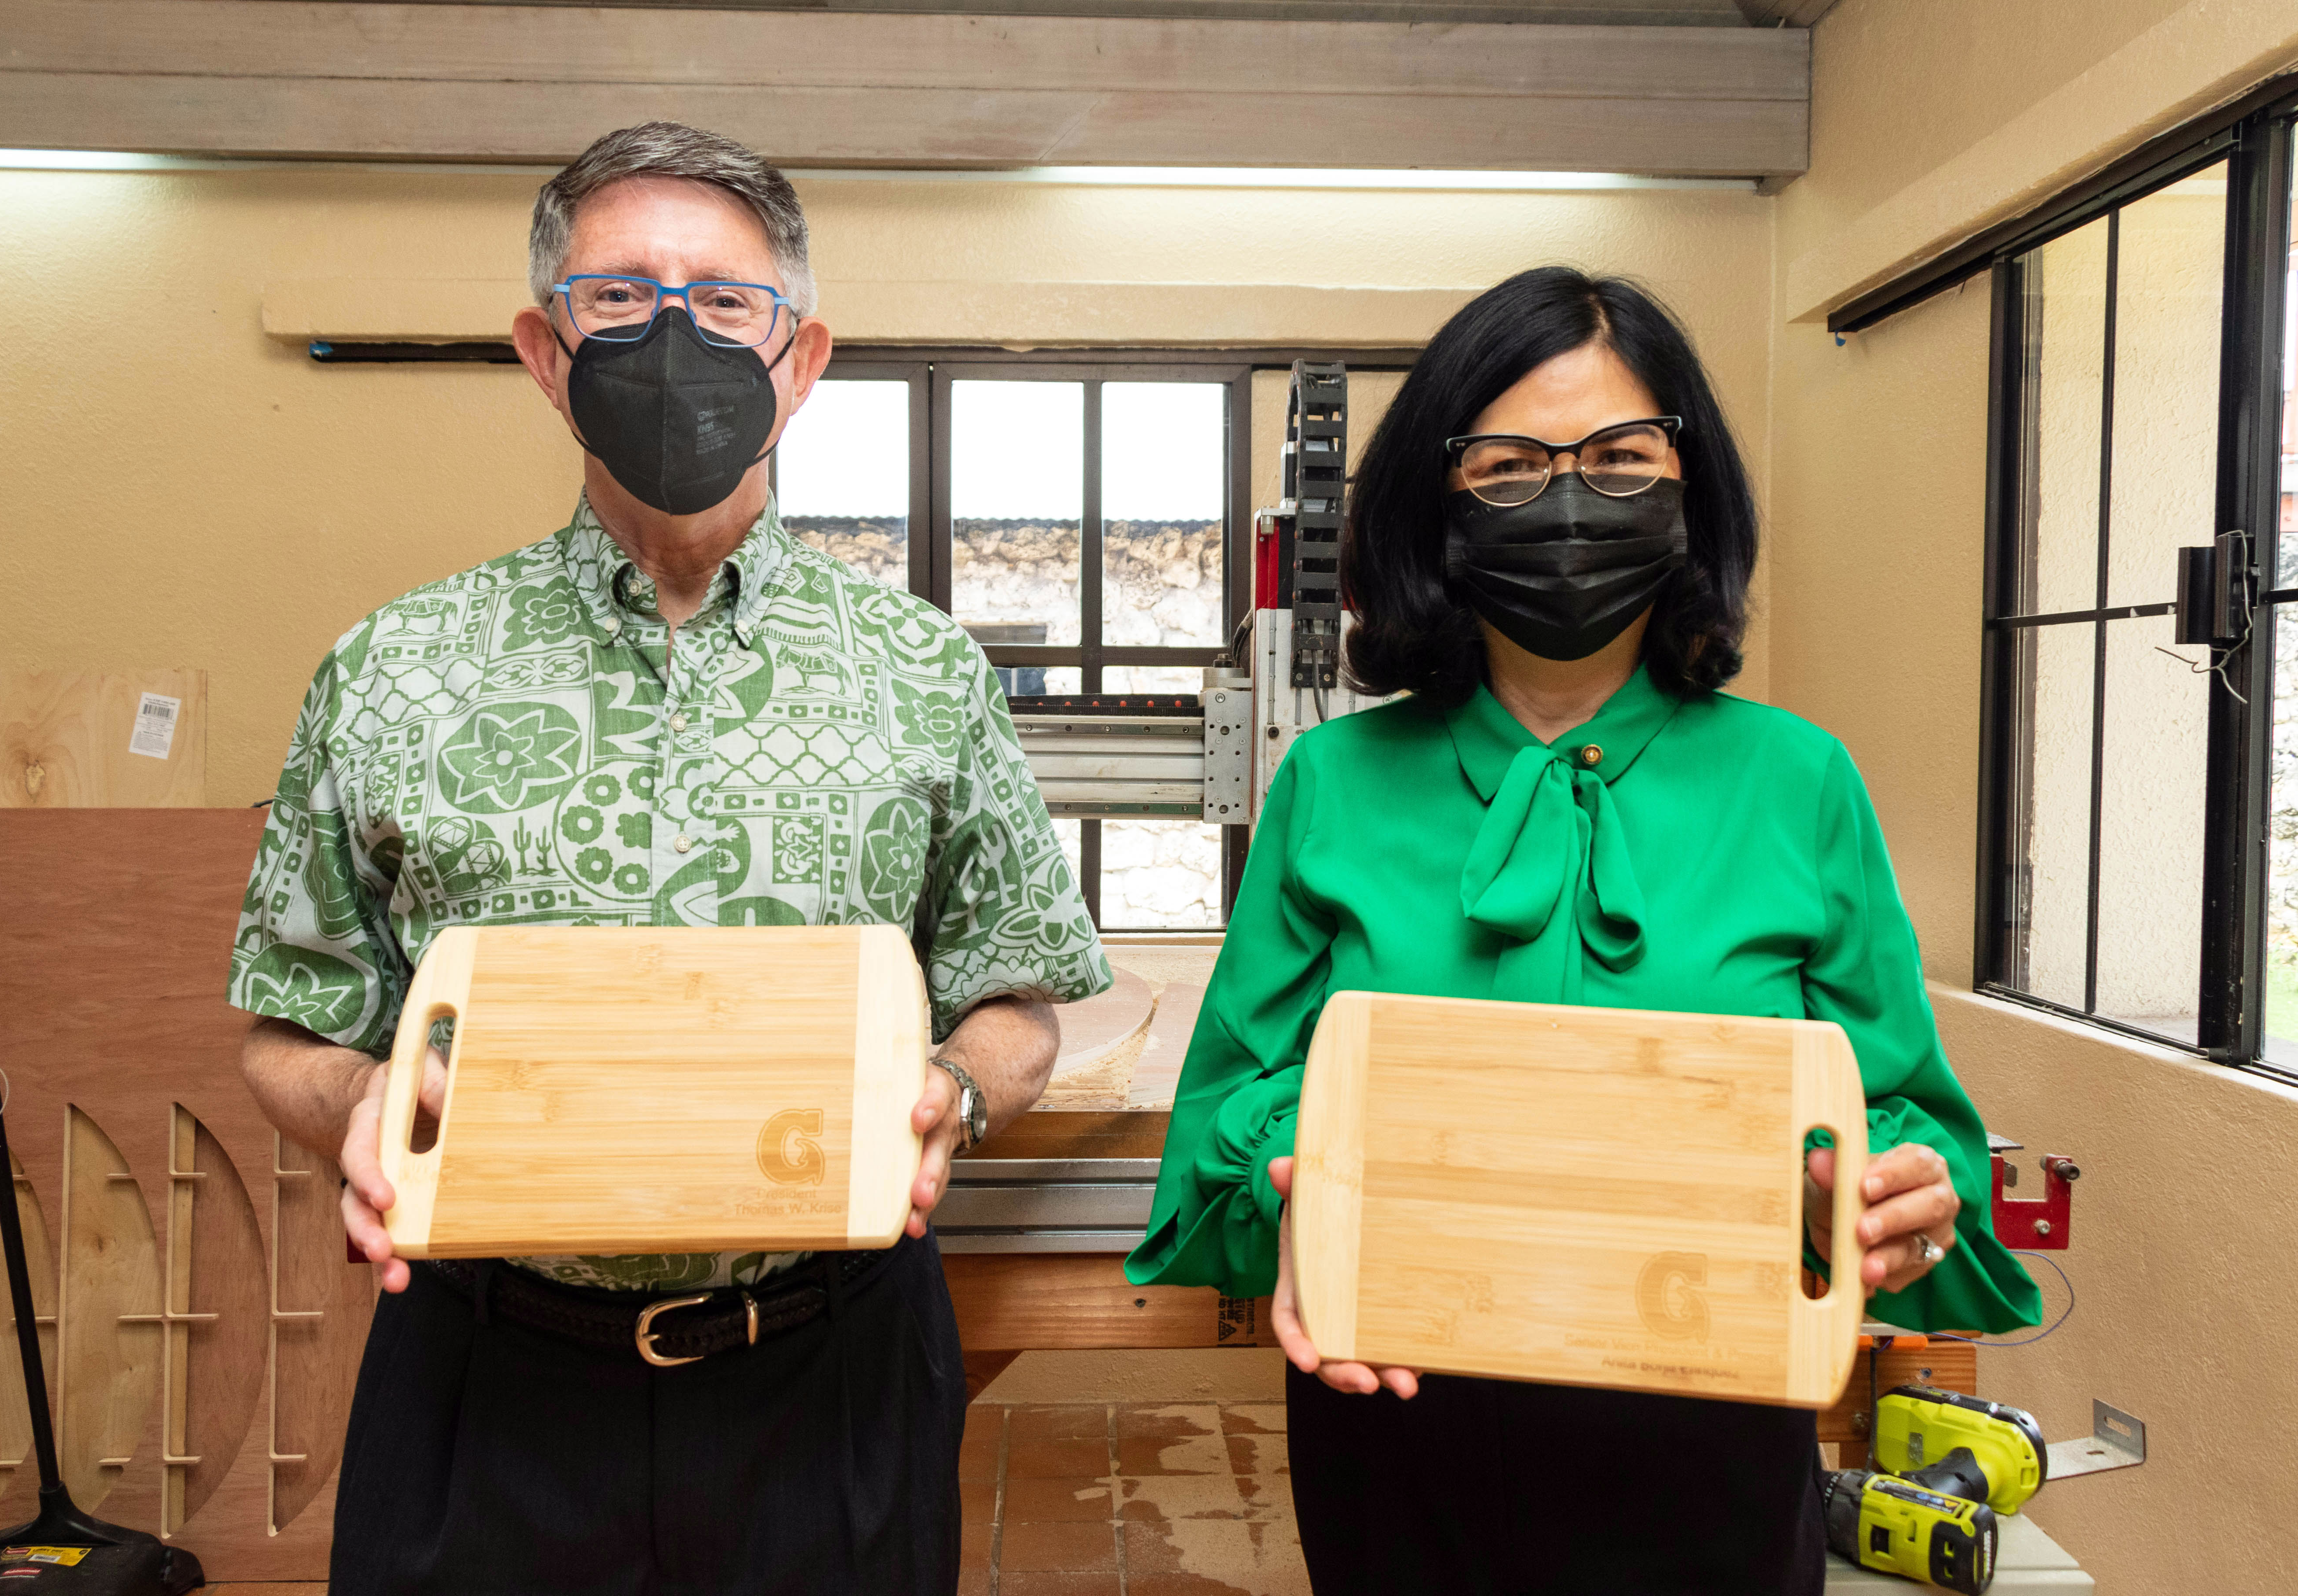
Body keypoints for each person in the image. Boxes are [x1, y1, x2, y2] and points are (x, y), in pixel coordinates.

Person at [230, 121, 1108, 1594]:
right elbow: (285, 1021)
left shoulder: (923, 672)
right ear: (543, 345)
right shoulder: (391, 668)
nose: (674, 332)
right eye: (620, 297)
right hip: (488, 1378)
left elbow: (1019, 998)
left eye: (725, 301)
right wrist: (369, 1097)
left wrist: (954, 1089)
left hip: (830, 1379)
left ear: (804, 357)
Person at [1124, 266, 2040, 1594]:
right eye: (1508, 464)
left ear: (1689, 485)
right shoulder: (1331, 786)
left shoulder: (1798, 784)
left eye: (1619, 456)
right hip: (1394, 1420)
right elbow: (1222, 1122)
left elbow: (1901, 1118)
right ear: (1434, 505)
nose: (1567, 498)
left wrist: (1890, 1194)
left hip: (1712, 1432)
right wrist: (1299, 1186)